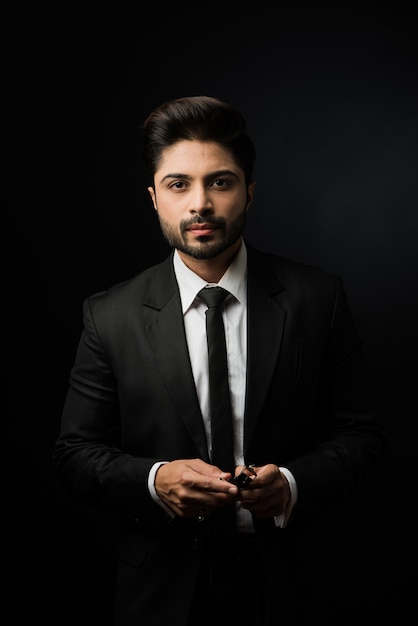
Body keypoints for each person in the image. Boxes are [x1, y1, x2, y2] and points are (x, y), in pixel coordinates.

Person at [53, 95, 386, 626]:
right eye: (178, 184)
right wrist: (155, 480)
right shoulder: (108, 315)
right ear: (154, 198)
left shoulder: (317, 298)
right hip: (160, 587)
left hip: (289, 583)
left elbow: (364, 437)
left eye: (221, 182)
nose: (200, 204)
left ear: (249, 193)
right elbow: (75, 455)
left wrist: (293, 485)